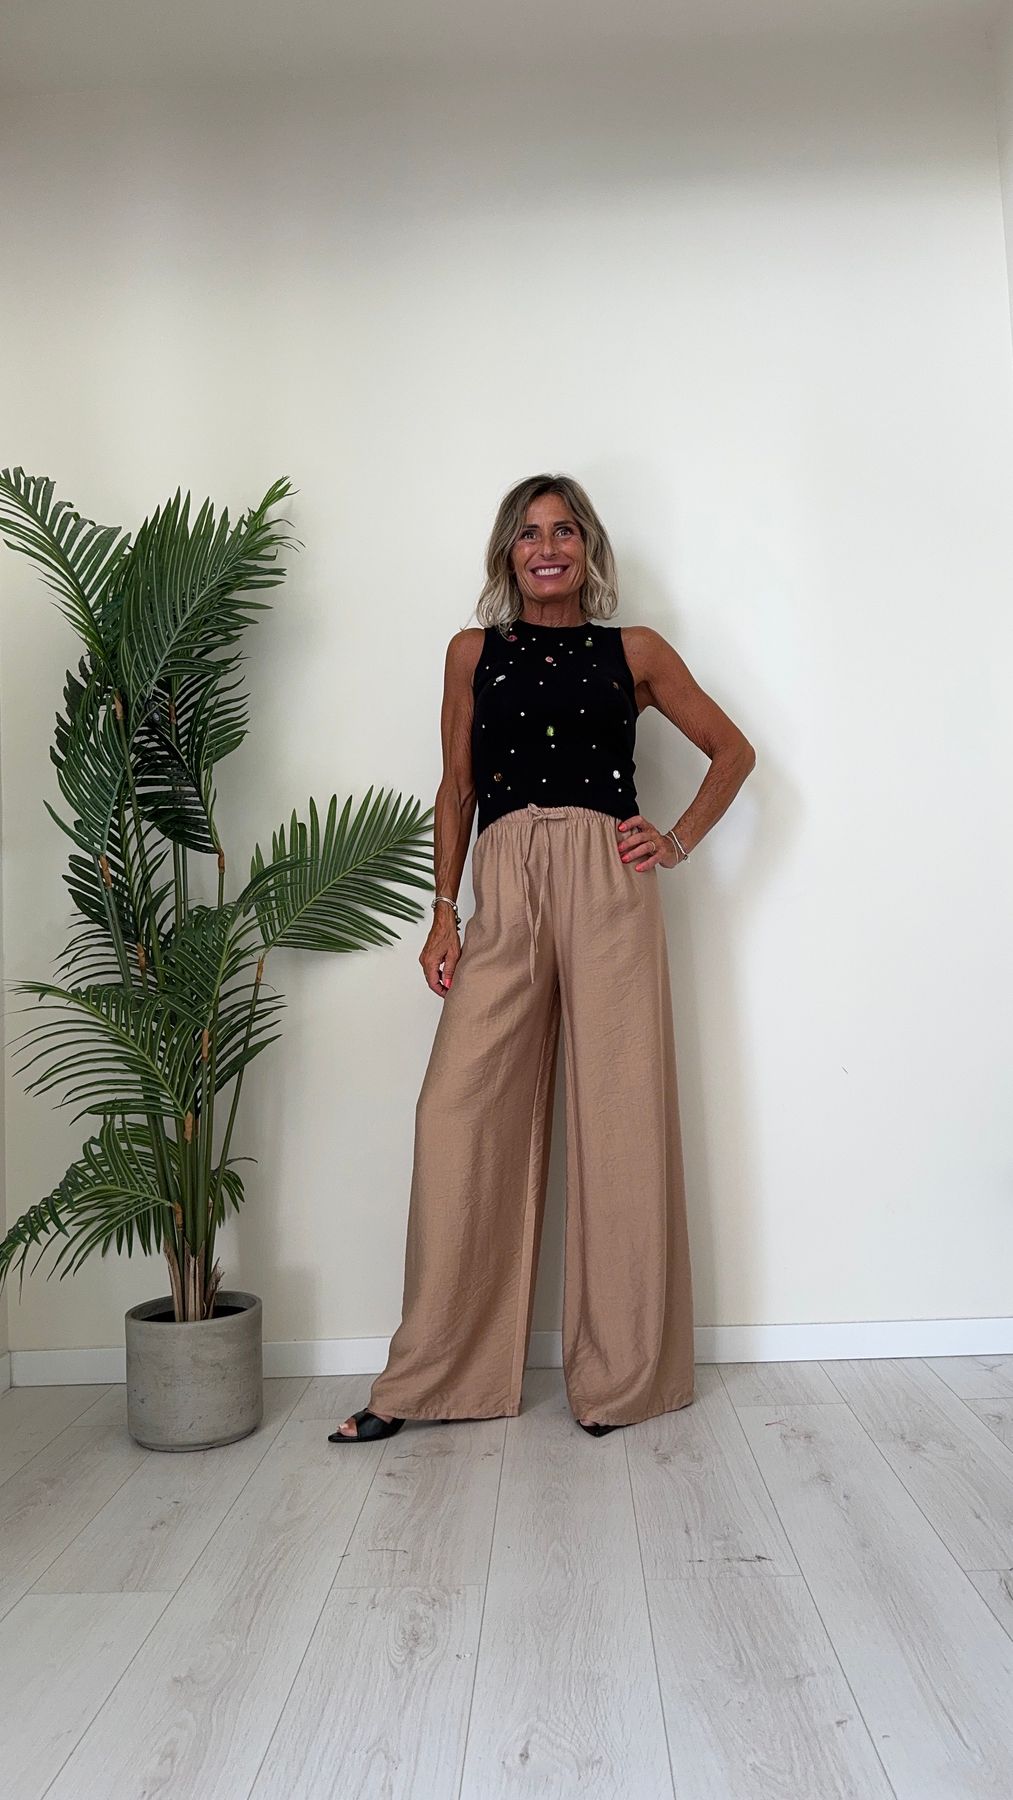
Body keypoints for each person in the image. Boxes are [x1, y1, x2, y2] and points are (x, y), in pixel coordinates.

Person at [330, 473, 755, 1443]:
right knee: (455, 1112)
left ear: (588, 548)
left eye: (564, 531)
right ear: (507, 554)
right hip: (506, 876)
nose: (547, 547)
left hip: (610, 879)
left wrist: (675, 840)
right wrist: (443, 913)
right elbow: (455, 788)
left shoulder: (634, 651)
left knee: (619, 1120)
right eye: (528, 534)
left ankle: (623, 1379)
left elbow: (731, 752)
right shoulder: (471, 652)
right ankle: (432, 1379)